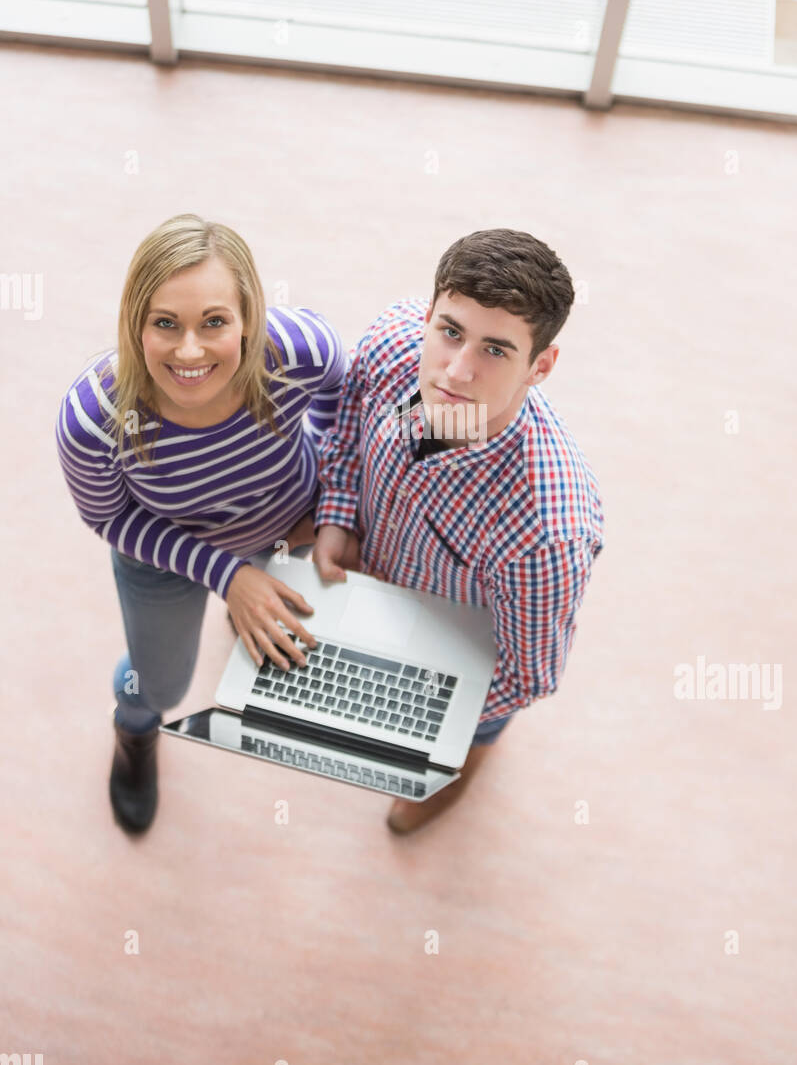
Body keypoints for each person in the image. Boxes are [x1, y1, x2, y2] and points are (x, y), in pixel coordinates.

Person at [55, 214, 346, 835]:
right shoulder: (94, 419)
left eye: (215, 322)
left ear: (250, 317)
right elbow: (107, 518)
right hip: (164, 552)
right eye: (166, 324)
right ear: (136, 322)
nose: (189, 351)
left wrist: (327, 513)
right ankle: (135, 732)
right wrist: (228, 575)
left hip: (285, 522)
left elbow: (339, 410)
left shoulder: (300, 351)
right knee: (158, 685)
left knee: (323, 652)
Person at [312, 227, 605, 834]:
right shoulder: (393, 342)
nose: (457, 371)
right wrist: (339, 515)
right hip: (374, 575)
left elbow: (528, 674)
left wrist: (410, 701)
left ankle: (453, 773)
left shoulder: (547, 532)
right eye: (449, 332)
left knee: (479, 730)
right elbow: (344, 425)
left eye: (496, 350)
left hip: (456, 645)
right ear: (427, 317)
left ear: (541, 365)